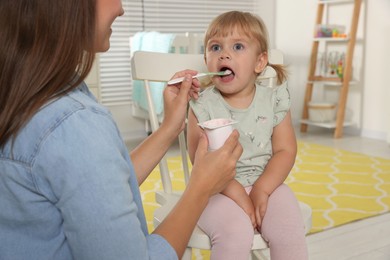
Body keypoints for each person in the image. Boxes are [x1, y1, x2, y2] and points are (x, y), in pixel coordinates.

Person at [0, 1, 243, 259]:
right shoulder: (74, 123)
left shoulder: (27, 95)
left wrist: (169, 129)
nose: (120, 9)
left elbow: (96, 183)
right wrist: (200, 189)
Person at [187, 11, 308, 260]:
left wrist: (262, 189)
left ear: (259, 62)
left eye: (238, 46)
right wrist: (240, 195)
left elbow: (286, 150)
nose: (224, 54)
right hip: (214, 190)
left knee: (288, 229)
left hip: (267, 182)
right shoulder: (201, 105)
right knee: (234, 233)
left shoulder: (273, 100)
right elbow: (200, 161)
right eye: (215, 47)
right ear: (206, 59)